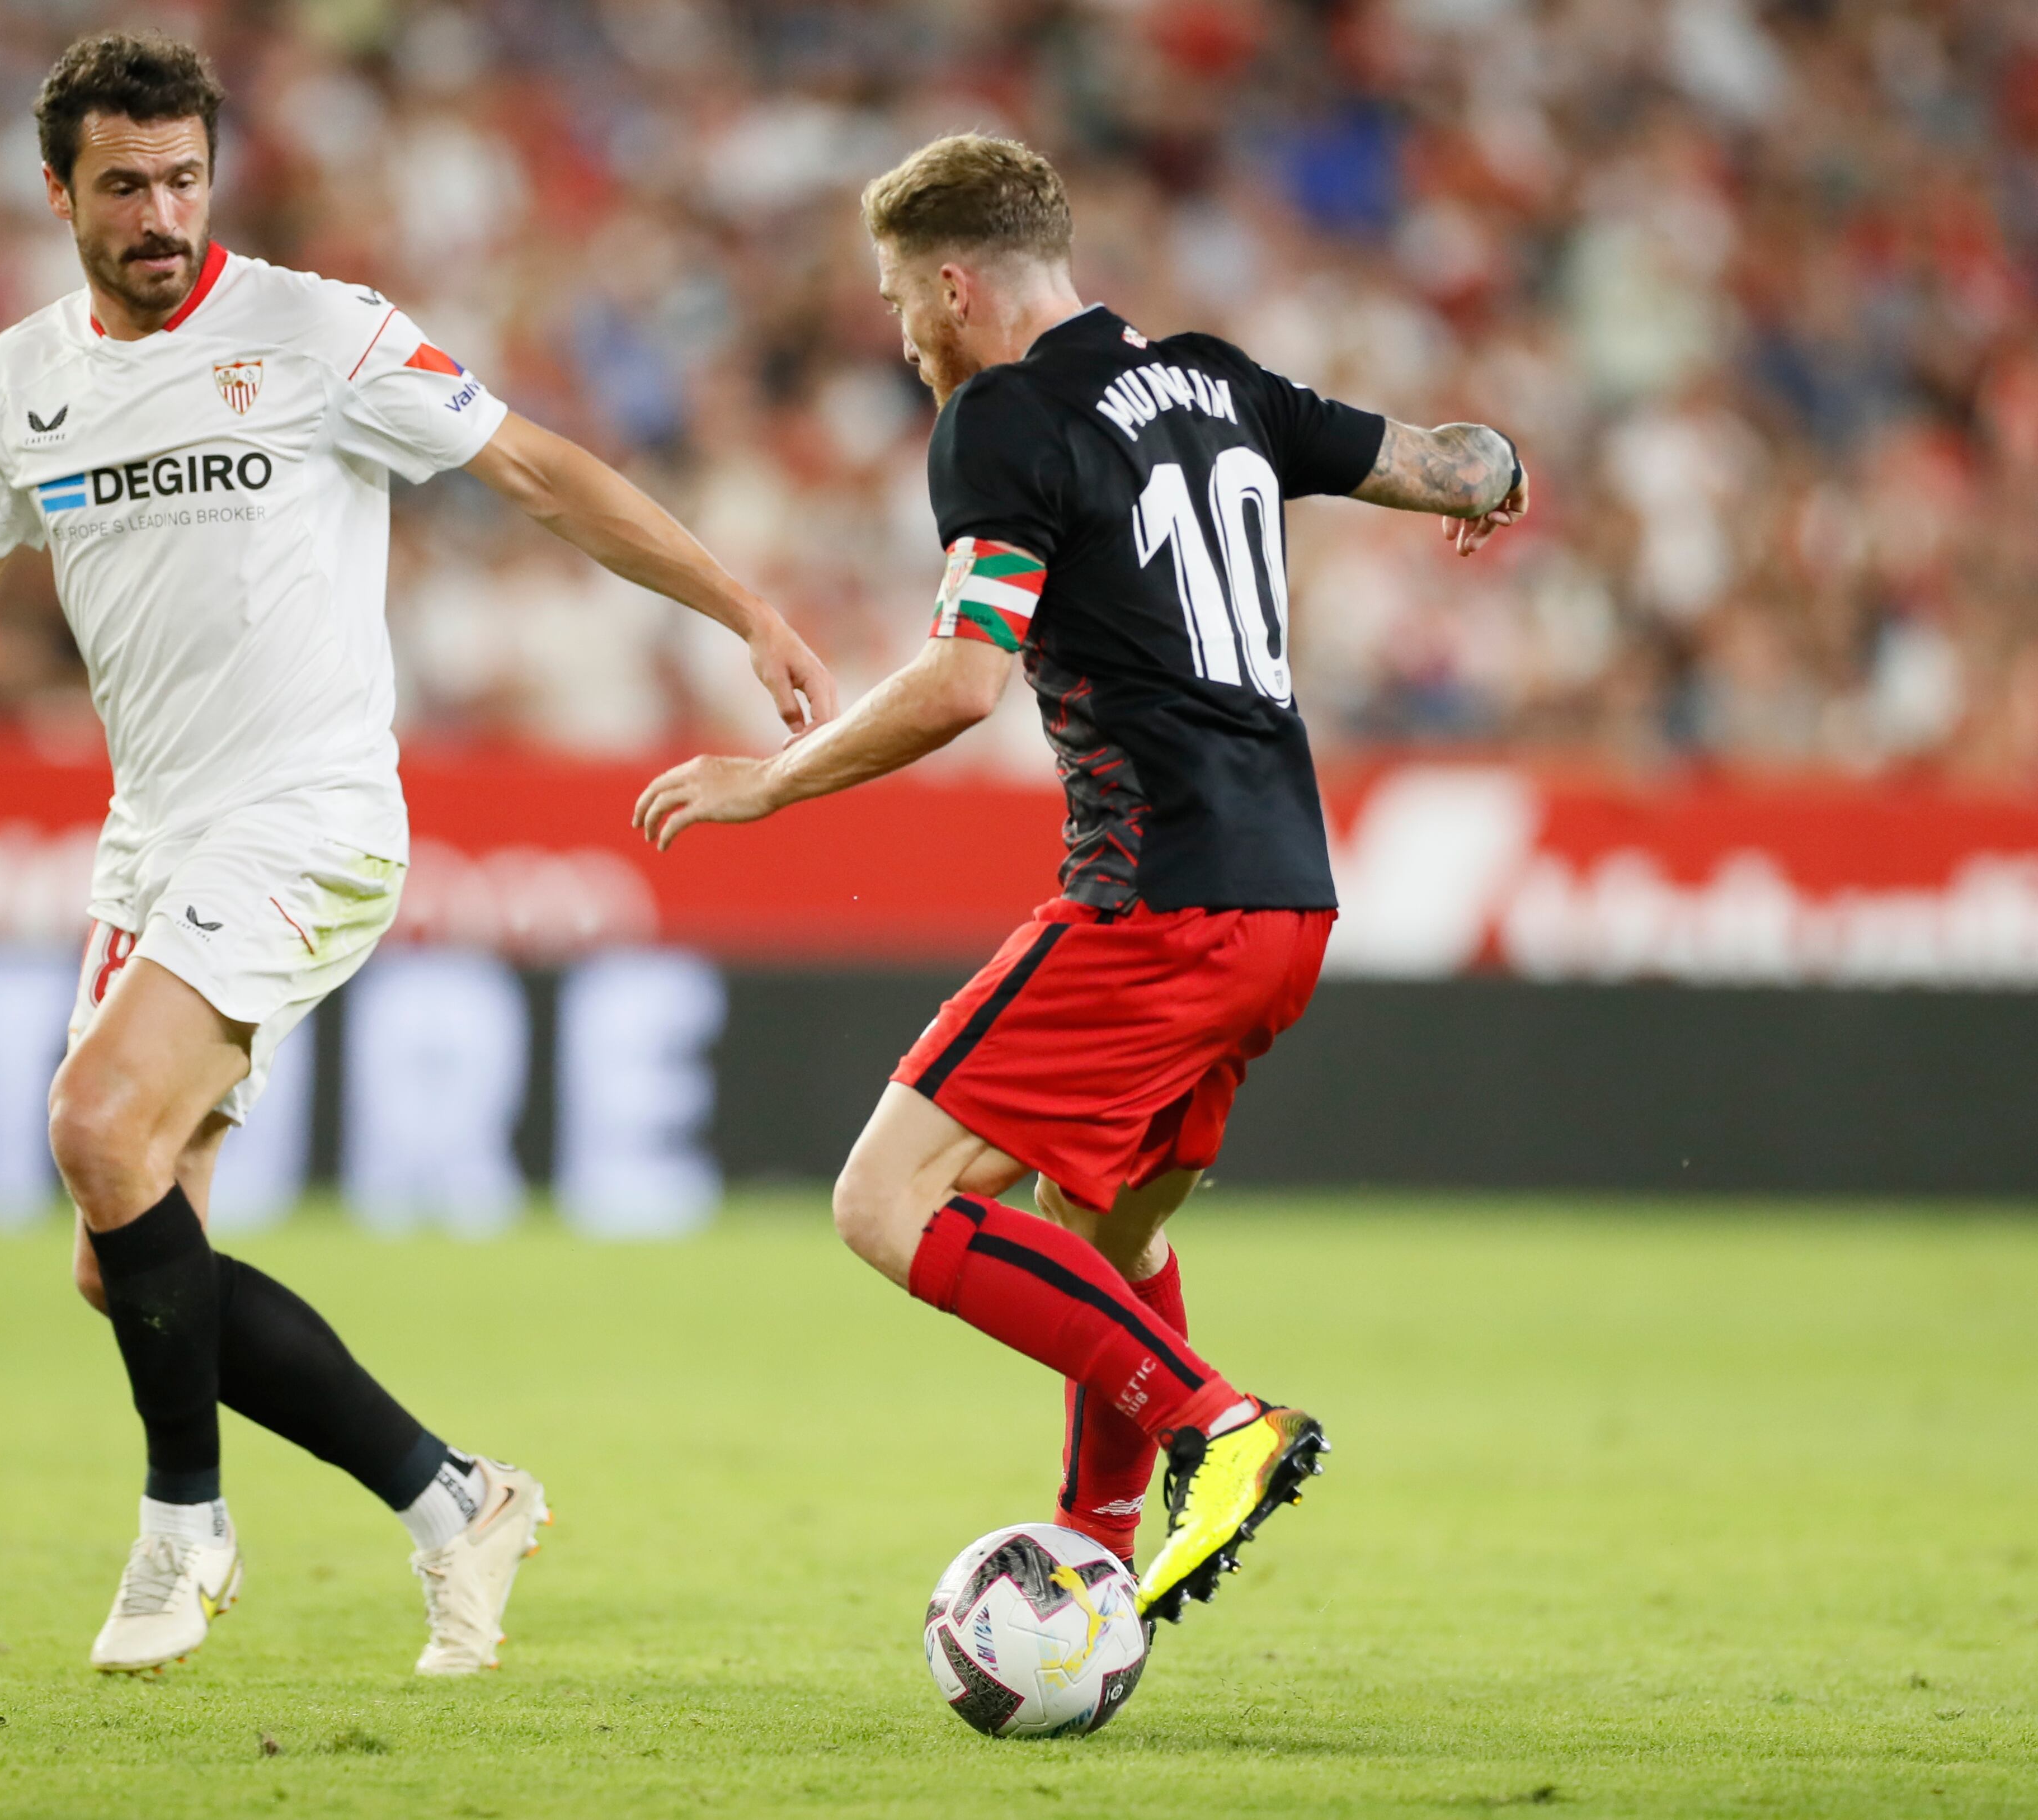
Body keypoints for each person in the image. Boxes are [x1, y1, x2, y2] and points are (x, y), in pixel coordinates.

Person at [0, 30, 835, 1677]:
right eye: (125, 185)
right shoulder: (18, 384)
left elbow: (538, 473)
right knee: (122, 1260)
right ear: (58, 193)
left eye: (186, 180)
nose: (162, 215)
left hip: (314, 814)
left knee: (90, 1120)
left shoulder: (319, 333)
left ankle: (182, 1532)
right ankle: (451, 1495)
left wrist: (741, 606)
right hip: (158, 837)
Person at [635, 134, 1527, 1626]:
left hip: (1156, 897)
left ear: (957, 283)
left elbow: (959, 685)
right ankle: (1095, 1559)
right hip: (1288, 905)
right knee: (1105, 1239)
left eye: (898, 297)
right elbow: (1457, 460)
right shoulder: (1224, 384)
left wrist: (769, 784)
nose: (901, 331)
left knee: (885, 1199)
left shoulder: (1002, 419)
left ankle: (1218, 1424)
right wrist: (1492, 480)